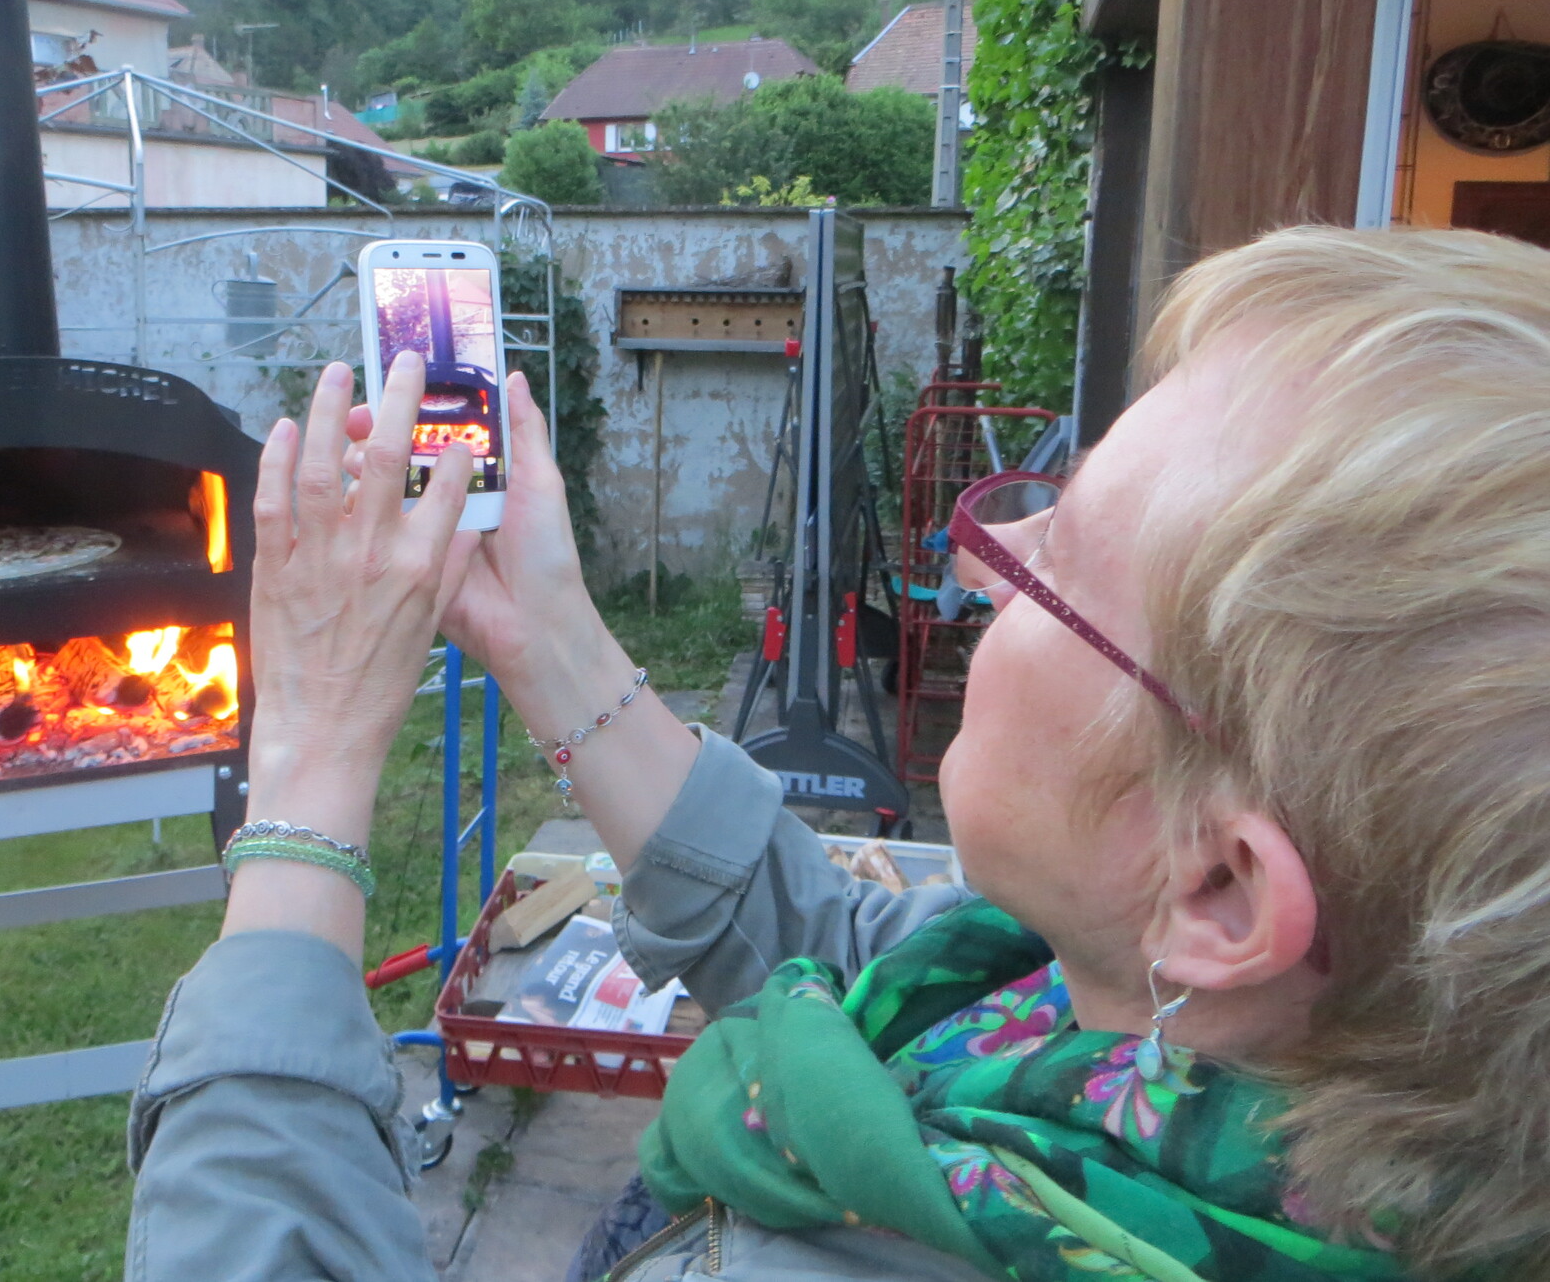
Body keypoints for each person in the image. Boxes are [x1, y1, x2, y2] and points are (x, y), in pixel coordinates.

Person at [122, 227, 1550, 1282]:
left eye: (1058, 565)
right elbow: (855, 961)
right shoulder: (1177, 1051)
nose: (985, 560)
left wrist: (309, 771)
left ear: (1219, 891)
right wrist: (545, 637)